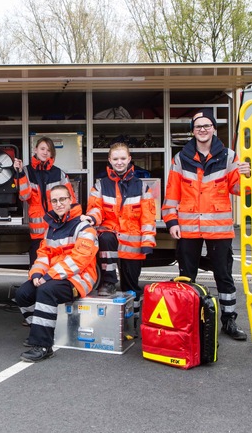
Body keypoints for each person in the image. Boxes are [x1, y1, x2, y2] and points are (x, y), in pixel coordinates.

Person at [162, 108, 251, 340]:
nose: (202, 129)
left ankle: (229, 322)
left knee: (224, 275)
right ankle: (188, 321)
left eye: (206, 125)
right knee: (186, 276)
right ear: (193, 131)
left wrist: (248, 176)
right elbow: (171, 194)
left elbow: (239, 190)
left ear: (213, 128)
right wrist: (171, 221)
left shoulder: (229, 157)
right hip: (188, 227)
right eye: (198, 126)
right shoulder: (180, 159)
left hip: (219, 228)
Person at [13, 185, 99, 362]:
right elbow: (43, 255)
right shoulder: (51, 228)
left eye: (62, 200)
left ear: (70, 200)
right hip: (55, 275)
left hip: (79, 279)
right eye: (54, 201)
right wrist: (36, 274)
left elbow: (79, 260)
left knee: (46, 290)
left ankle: (43, 345)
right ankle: (38, 329)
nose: (58, 204)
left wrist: (48, 276)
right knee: (22, 293)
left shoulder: (84, 228)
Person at [83, 143, 156, 321]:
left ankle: (133, 320)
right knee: (106, 237)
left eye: (123, 158)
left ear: (130, 159)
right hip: (111, 237)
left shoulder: (142, 187)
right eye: (115, 159)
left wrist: (147, 242)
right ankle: (108, 282)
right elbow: (95, 208)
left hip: (133, 244)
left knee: (131, 286)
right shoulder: (101, 186)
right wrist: (91, 219)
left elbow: (148, 218)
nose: (119, 162)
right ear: (109, 161)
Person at [13, 137, 75, 266]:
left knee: (56, 264)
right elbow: (24, 196)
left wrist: (74, 224)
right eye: (42, 148)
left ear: (52, 153)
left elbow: (71, 201)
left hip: (58, 228)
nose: (45, 152)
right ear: (35, 149)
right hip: (38, 231)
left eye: (49, 150)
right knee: (37, 265)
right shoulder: (25, 171)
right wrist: (19, 173)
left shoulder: (59, 173)